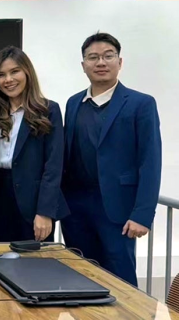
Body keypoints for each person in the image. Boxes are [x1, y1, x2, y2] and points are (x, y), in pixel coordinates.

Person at [61, 32, 161, 287]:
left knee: (121, 281)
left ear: (120, 61)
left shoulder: (141, 104)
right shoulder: (74, 103)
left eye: (108, 56)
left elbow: (150, 162)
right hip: (76, 209)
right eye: (93, 57)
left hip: (118, 209)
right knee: (81, 278)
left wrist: (142, 214)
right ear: (83, 65)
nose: (101, 62)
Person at [0, 46, 68, 243]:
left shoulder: (48, 110)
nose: (8, 80)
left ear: (27, 72)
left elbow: (54, 165)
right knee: (2, 263)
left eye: (14, 71)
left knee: (36, 268)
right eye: (1, 75)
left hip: (34, 201)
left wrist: (45, 211)